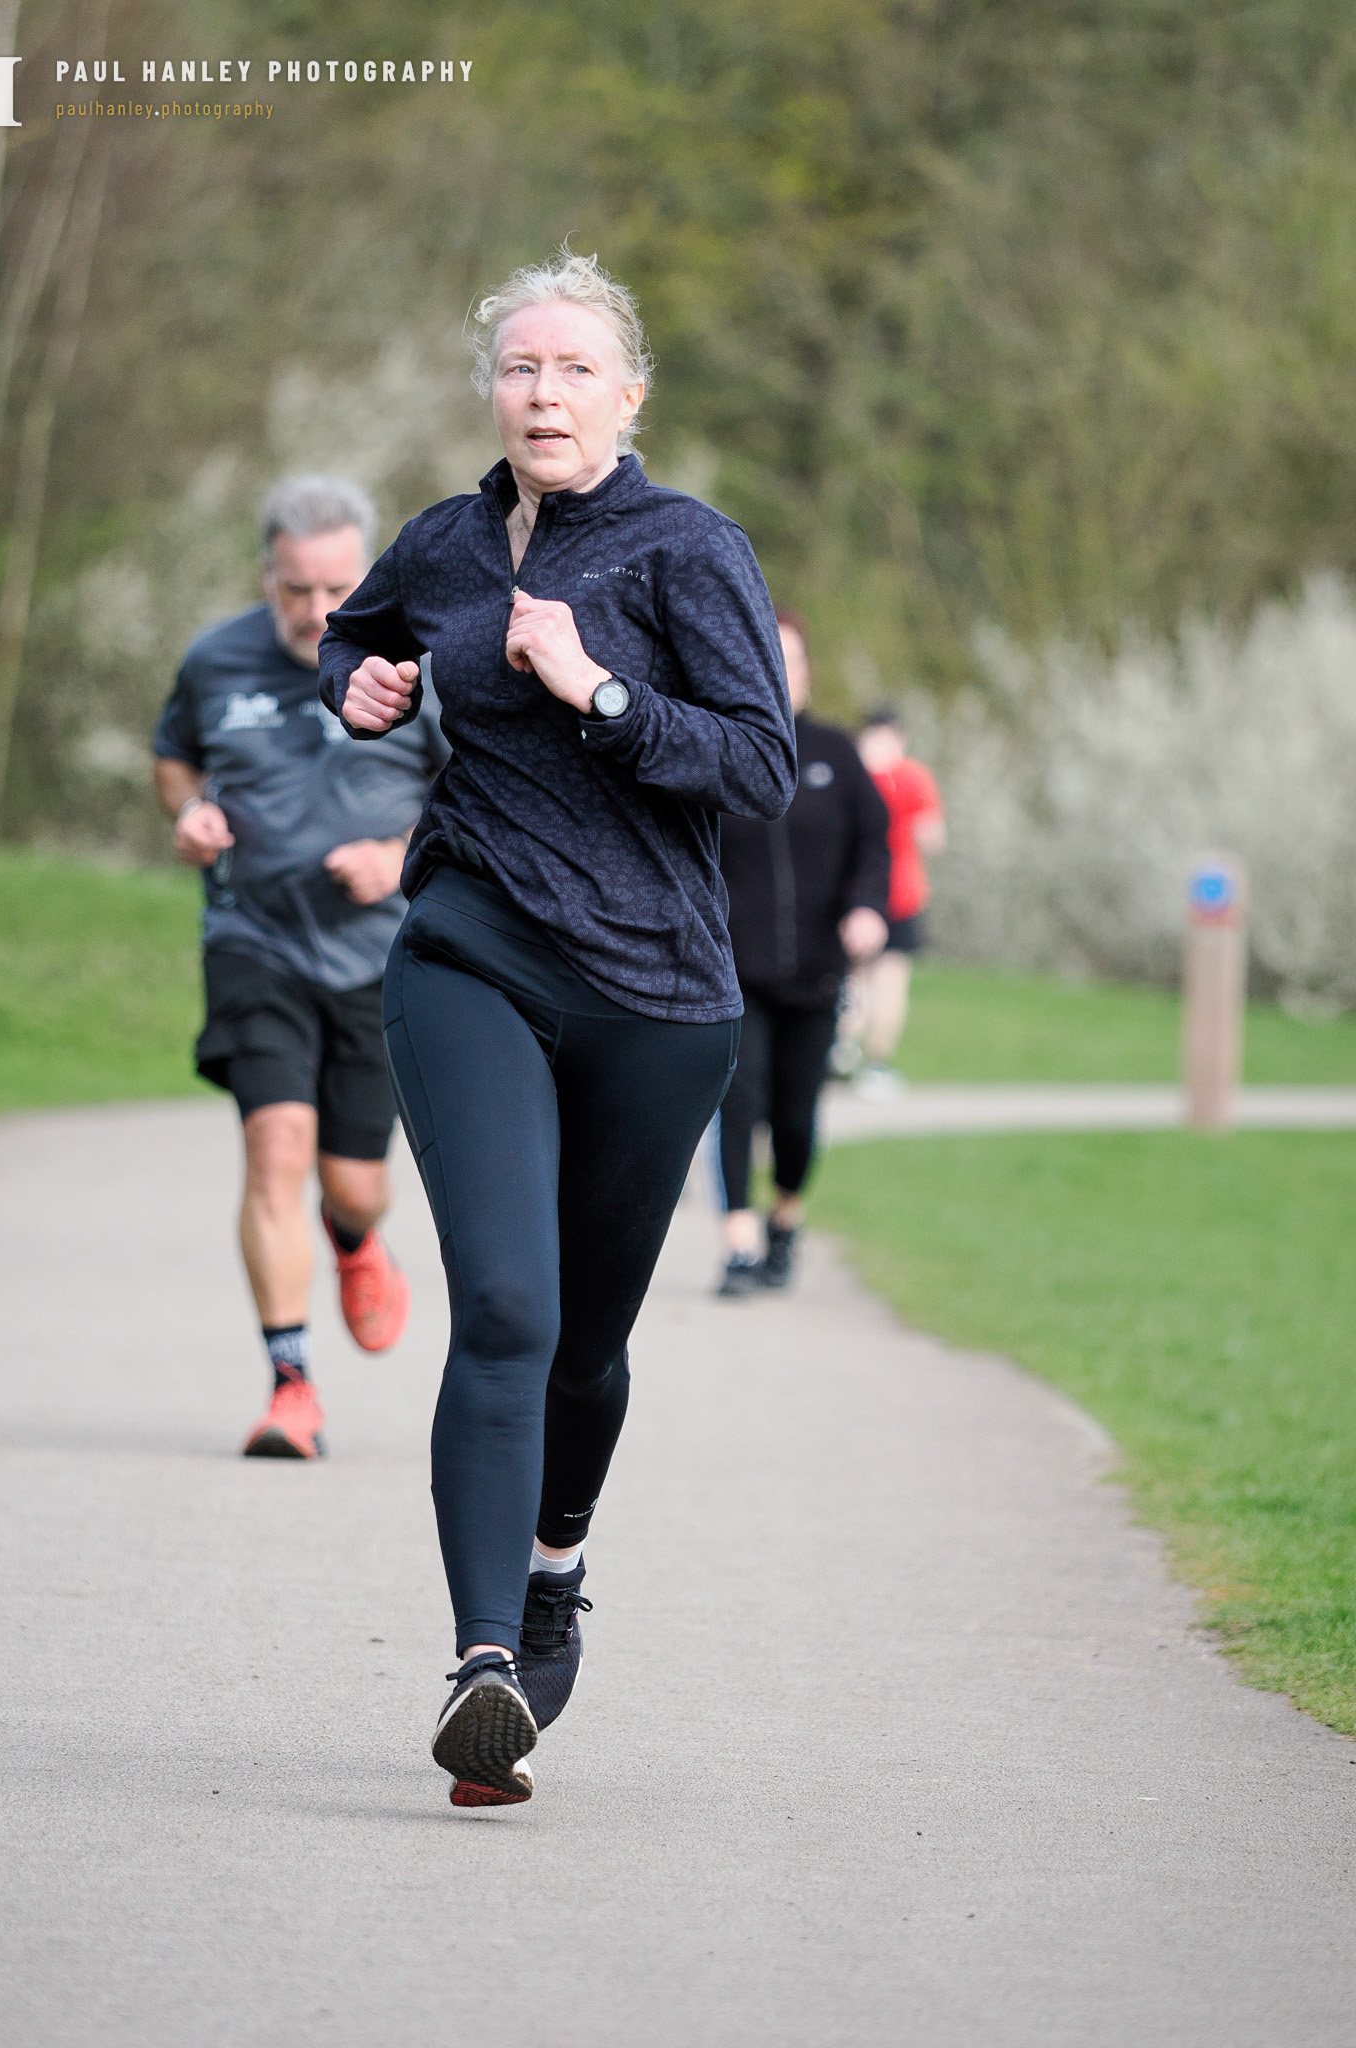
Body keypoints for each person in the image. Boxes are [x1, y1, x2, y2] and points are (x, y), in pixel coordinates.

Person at [320, 249, 795, 1807]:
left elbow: (757, 770)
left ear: (628, 393)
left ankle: (553, 1575)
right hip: (474, 953)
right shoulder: (446, 545)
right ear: (491, 390)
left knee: (587, 1344)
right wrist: (364, 684)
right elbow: (361, 634)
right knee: (509, 1309)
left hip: (661, 999)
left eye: (574, 368)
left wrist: (596, 693)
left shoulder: (686, 550)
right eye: (520, 367)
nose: (544, 391)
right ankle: (482, 1669)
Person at [152, 475, 447, 1459]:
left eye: (336, 588)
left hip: (379, 957)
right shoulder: (215, 657)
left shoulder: (420, 661)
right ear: (267, 577)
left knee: (353, 1184)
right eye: (295, 591)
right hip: (254, 938)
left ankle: (358, 1239)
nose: (317, 612)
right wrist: (189, 812)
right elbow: (174, 756)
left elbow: (479, 797)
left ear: (366, 573)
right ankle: (291, 1385)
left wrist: (397, 854)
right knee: (274, 1147)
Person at [714, 610, 889, 1296]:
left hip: (816, 971)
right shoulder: (718, 748)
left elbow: (875, 844)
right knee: (736, 1097)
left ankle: (784, 1219)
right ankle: (737, 1242)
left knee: (793, 1116)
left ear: (808, 671)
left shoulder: (836, 757)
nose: (776, 672)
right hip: (733, 972)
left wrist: (867, 909)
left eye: (789, 659)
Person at [847, 706, 945, 1099]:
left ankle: (842, 1047)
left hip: (854, 891)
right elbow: (932, 838)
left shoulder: (853, 771)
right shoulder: (912, 776)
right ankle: (875, 1065)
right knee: (890, 981)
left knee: (852, 977)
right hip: (902, 892)